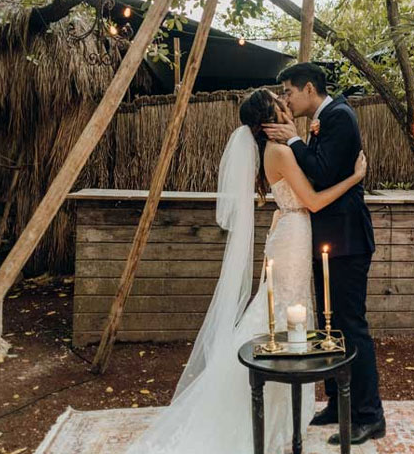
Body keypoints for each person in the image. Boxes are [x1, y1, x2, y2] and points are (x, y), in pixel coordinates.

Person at [124, 88, 366, 454]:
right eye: (279, 102)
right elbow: (314, 201)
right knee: (283, 316)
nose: (287, 104)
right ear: (269, 118)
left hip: (289, 232)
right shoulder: (281, 151)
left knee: (283, 316)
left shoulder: (274, 150)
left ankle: (280, 410)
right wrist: (355, 177)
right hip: (294, 235)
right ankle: (256, 403)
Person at [263, 62, 386, 446]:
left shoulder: (339, 117)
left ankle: (369, 415)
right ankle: (337, 400)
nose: (286, 99)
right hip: (327, 240)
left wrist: (295, 142)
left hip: (347, 240)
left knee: (351, 325)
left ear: (310, 88)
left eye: (289, 91)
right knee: (331, 324)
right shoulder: (324, 118)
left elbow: (324, 172)